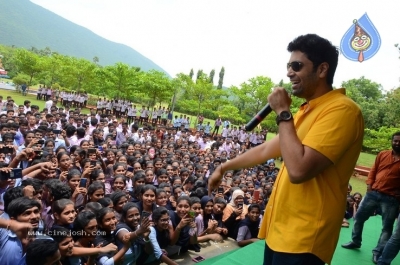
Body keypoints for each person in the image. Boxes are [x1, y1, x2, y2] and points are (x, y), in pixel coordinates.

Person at [208, 34, 364, 265]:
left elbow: (299, 170)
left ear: (322, 69)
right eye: (288, 66)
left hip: (305, 236)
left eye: (297, 66)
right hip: (281, 230)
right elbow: (266, 150)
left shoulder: (342, 111)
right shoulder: (305, 111)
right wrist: (224, 167)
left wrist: (282, 111)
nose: (289, 72)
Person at [342, 131, 400, 264]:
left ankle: (378, 252)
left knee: (387, 227)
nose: (397, 143)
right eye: (395, 140)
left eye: (399, 141)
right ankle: (355, 241)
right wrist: (369, 186)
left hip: (391, 199)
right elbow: (374, 170)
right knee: (359, 218)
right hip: (373, 193)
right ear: (392, 141)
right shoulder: (383, 154)